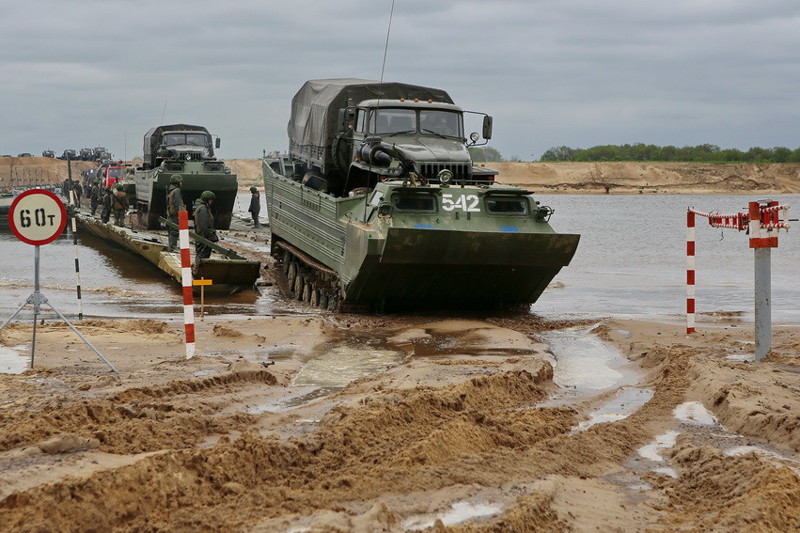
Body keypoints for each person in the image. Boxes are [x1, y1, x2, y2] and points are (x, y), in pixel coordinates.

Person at [193, 190, 218, 260]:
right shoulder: (203, 209)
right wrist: (210, 235)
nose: (211, 202)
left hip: (200, 234)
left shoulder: (199, 206)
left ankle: (198, 268)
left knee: (200, 253)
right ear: (207, 200)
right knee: (203, 254)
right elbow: (204, 224)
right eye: (210, 200)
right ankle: (198, 268)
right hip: (203, 235)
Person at [165, 175, 185, 250]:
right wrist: (182, 214)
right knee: (174, 230)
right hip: (175, 214)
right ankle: (173, 246)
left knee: (171, 229)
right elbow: (178, 203)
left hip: (171, 213)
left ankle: (171, 246)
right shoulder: (177, 191)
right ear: (177, 182)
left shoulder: (171, 191)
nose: (181, 183)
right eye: (180, 181)